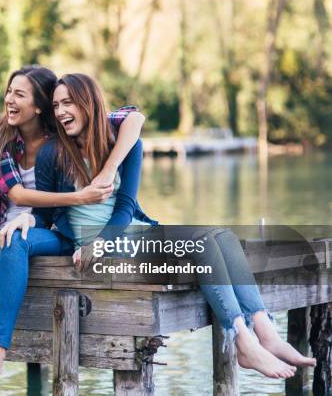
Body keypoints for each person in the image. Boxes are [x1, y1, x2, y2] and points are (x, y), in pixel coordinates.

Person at [16, 73, 316, 380]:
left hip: (127, 236)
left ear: (88, 103)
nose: (61, 111)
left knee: (222, 236)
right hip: (102, 250)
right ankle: (243, 338)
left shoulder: (124, 144)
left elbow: (126, 206)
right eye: (56, 106)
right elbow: (46, 213)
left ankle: (263, 330)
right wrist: (31, 219)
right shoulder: (52, 154)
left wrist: (104, 241)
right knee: (204, 244)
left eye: (68, 102)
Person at [0, 65, 146, 388]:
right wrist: (79, 197)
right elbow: (17, 194)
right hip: (4, 226)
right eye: (9, 91)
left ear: (38, 106)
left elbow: (132, 119)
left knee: (16, 240)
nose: (9, 99)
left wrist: (107, 171)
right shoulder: (2, 140)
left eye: (19, 94)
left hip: (47, 232)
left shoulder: (59, 139)